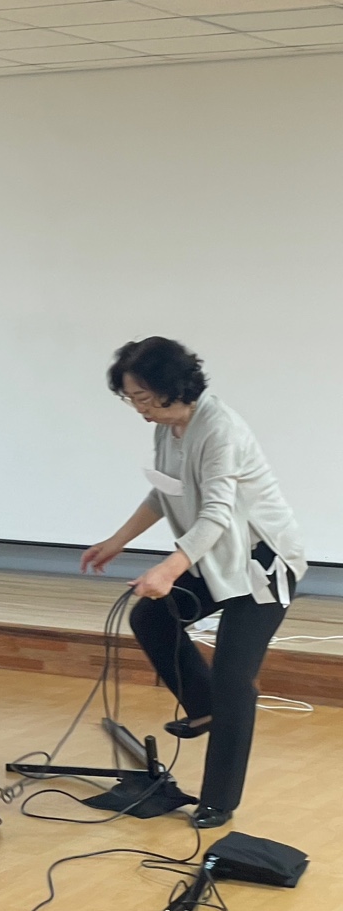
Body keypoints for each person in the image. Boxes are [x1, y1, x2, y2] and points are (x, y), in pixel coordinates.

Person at [82, 337, 305, 830]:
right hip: (216, 557)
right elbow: (163, 495)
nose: (138, 409)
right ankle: (204, 709)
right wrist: (116, 541)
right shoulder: (169, 429)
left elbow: (217, 514)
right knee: (151, 617)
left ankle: (219, 800)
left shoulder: (220, 430)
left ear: (171, 387)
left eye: (143, 397)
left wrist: (168, 569)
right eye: (130, 399)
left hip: (263, 565)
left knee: (233, 678)